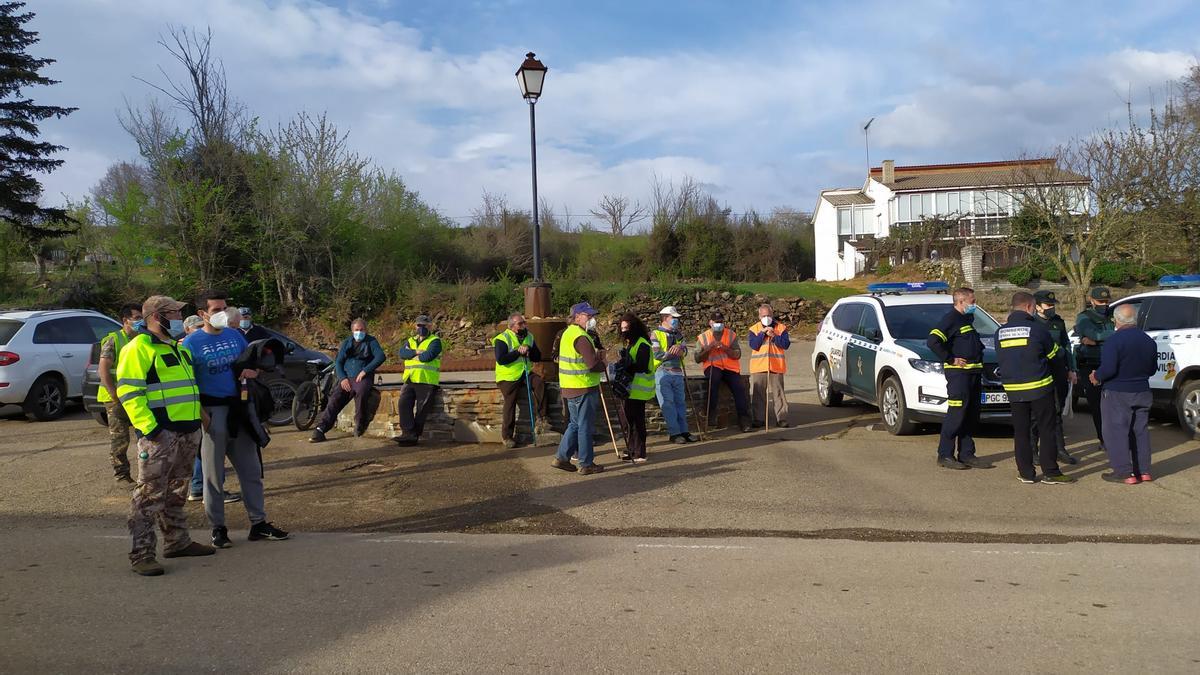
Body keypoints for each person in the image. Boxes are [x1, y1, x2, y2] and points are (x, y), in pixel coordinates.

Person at [117, 295, 214, 576]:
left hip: (186, 430)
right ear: (157, 317)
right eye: (173, 313)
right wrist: (151, 429)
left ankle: (177, 541)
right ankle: (142, 554)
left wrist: (199, 420)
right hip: (160, 434)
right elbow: (129, 392)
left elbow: (186, 389)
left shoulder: (177, 348)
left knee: (176, 491)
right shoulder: (139, 348)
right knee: (149, 495)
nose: (179, 319)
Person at [182, 293, 288, 548]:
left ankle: (258, 523)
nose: (223, 313)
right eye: (216, 309)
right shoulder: (191, 344)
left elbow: (251, 364)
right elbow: (187, 383)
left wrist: (254, 371)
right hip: (213, 411)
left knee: (251, 471)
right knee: (213, 476)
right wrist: (202, 416)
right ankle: (218, 528)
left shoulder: (235, 336)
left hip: (239, 410)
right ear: (202, 314)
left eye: (225, 307)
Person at [997, 292, 1074, 485]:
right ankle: (1051, 472)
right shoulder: (1038, 330)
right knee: (1046, 430)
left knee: (1021, 432)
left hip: (1014, 391)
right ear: (1030, 307)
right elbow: (1055, 355)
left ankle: (1026, 473)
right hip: (1039, 388)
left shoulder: (1000, 332)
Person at [1091, 304, 1158, 484]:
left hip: (1117, 392)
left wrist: (1096, 376)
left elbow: (1109, 369)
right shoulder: (1148, 341)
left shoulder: (1114, 341)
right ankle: (1144, 471)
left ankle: (1124, 473)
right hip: (1142, 391)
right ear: (1134, 319)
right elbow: (1152, 369)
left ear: (1116, 320)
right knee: (1141, 432)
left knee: (1116, 432)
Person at [926, 288, 987, 470]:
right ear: (961, 302)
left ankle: (967, 453)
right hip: (959, 375)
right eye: (972, 301)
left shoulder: (966, 319)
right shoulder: (951, 319)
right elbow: (933, 341)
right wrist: (951, 358)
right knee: (957, 414)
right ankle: (945, 454)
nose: (974, 305)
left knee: (970, 415)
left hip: (973, 374)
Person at [310, 318, 386, 443]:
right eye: (357, 330)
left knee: (361, 393)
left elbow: (380, 356)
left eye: (362, 330)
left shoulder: (371, 341)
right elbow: (339, 362)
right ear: (352, 331)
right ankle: (320, 429)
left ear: (366, 330)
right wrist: (342, 378)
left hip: (362, 377)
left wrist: (365, 370)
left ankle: (360, 424)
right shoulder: (347, 343)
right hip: (347, 377)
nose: (359, 332)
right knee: (334, 399)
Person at [552, 302, 607, 475]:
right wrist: (603, 364)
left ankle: (561, 457)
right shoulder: (581, 337)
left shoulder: (568, 334)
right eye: (588, 316)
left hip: (570, 386)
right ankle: (586, 463)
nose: (592, 319)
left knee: (575, 424)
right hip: (583, 386)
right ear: (577, 317)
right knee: (584, 426)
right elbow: (591, 364)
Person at [1031, 290, 1078, 466]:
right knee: (1037, 414)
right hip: (1040, 372)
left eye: (1053, 305)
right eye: (1048, 305)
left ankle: (1060, 449)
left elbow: (1066, 346)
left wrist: (1071, 368)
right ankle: (1033, 451)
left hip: (1058, 371)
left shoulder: (1058, 322)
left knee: (1057, 412)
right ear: (1037, 307)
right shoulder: (1032, 323)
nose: (1051, 308)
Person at [98, 302, 143, 485]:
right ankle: (122, 475)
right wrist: (115, 396)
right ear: (126, 320)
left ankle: (147, 474)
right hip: (115, 398)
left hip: (137, 396)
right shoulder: (114, 340)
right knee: (120, 439)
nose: (141, 322)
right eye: (137, 318)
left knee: (146, 437)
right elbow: (104, 371)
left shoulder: (142, 338)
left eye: (142, 317)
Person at [493, 313, 548, 448]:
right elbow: (501, 359)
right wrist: (518, 352)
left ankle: (542, 417)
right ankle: (507, 436)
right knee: (510, 402)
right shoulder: (502, 338)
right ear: (512, 326)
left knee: (539, 383)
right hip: (508, 376)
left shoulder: (529, 336)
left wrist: (529, 350)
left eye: (524, 323)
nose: (524, 325)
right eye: (521, 324)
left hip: (525, 372)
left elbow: (537, 357)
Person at [694, 310, 752, 432]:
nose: (718, 324)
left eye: (720, 322)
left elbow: (737, 355)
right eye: (716, 322)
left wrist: (725, 348)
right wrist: (708, 349)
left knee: (739, 387)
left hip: (730, 368)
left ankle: (744, 419)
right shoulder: (703, 337)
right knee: (713, 382)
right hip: (713, 366)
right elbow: (697, 358)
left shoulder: (731, 335)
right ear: (710, 322)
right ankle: (711, 415)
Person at [1074, 287, 1115, 449]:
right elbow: (1093, 334)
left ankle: (1114, 437)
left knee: (1113, 406)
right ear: (1092, 301)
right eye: (1100, 301)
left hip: (1110, 363)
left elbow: (1096, 337)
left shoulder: (1113, 315)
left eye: (1106, 301)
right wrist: (1112, 335)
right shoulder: (1084, 317)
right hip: (1091, 365)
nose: (1104, 305)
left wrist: (1098, 340)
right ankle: (1104, 439)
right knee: (1097, 406)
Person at [651, 306, 696, 444]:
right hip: (661, 372)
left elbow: (685, 350)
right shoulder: (655, 334)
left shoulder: (678, 334)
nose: (676, 320)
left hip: (677, 371)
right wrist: (674, 351)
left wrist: (680, 348)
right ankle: (674, 433)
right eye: (673, 318)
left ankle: (684, 431)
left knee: (680, 403)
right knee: (668, 403)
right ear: (665, 318)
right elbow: (657, 354)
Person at [395, 315, 442, 446]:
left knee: (422, 410)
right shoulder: (411, 340)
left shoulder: (435, 341)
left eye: (424, 326)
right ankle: (407, 433)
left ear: (430, 326)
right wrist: (417, 352)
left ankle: (413, 436)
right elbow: (402, 354)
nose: (421, 328)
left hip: (426, 380)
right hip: (410, 379)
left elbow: (427, 356)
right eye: (419, 325)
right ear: (415, 326)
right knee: (403, 405)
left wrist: (413, 355)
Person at [615, 312, 654, 463]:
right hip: (632, 390)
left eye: (626, 328)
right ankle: (632, 449)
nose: (624, 331)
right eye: (622, 328)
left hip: (638, 390)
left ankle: (639, 452)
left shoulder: (642, 344)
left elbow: (642, 366)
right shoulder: (632, 342)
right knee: (629, 421)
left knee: (636, 422)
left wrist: (628, 366)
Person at [748, 303, 791, 428]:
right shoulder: (754, 329)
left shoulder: (781, 328)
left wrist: (774, 336)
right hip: (759, 366)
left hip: (776, 366)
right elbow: (753, 345)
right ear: (759, 316)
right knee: (759, 394)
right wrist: (762, 334)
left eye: (768, 315)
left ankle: (782, 418)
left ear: (772, 315)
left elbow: (786, 344)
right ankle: (758, 419)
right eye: (763, 315)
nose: (766, 317)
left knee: (778, 393)